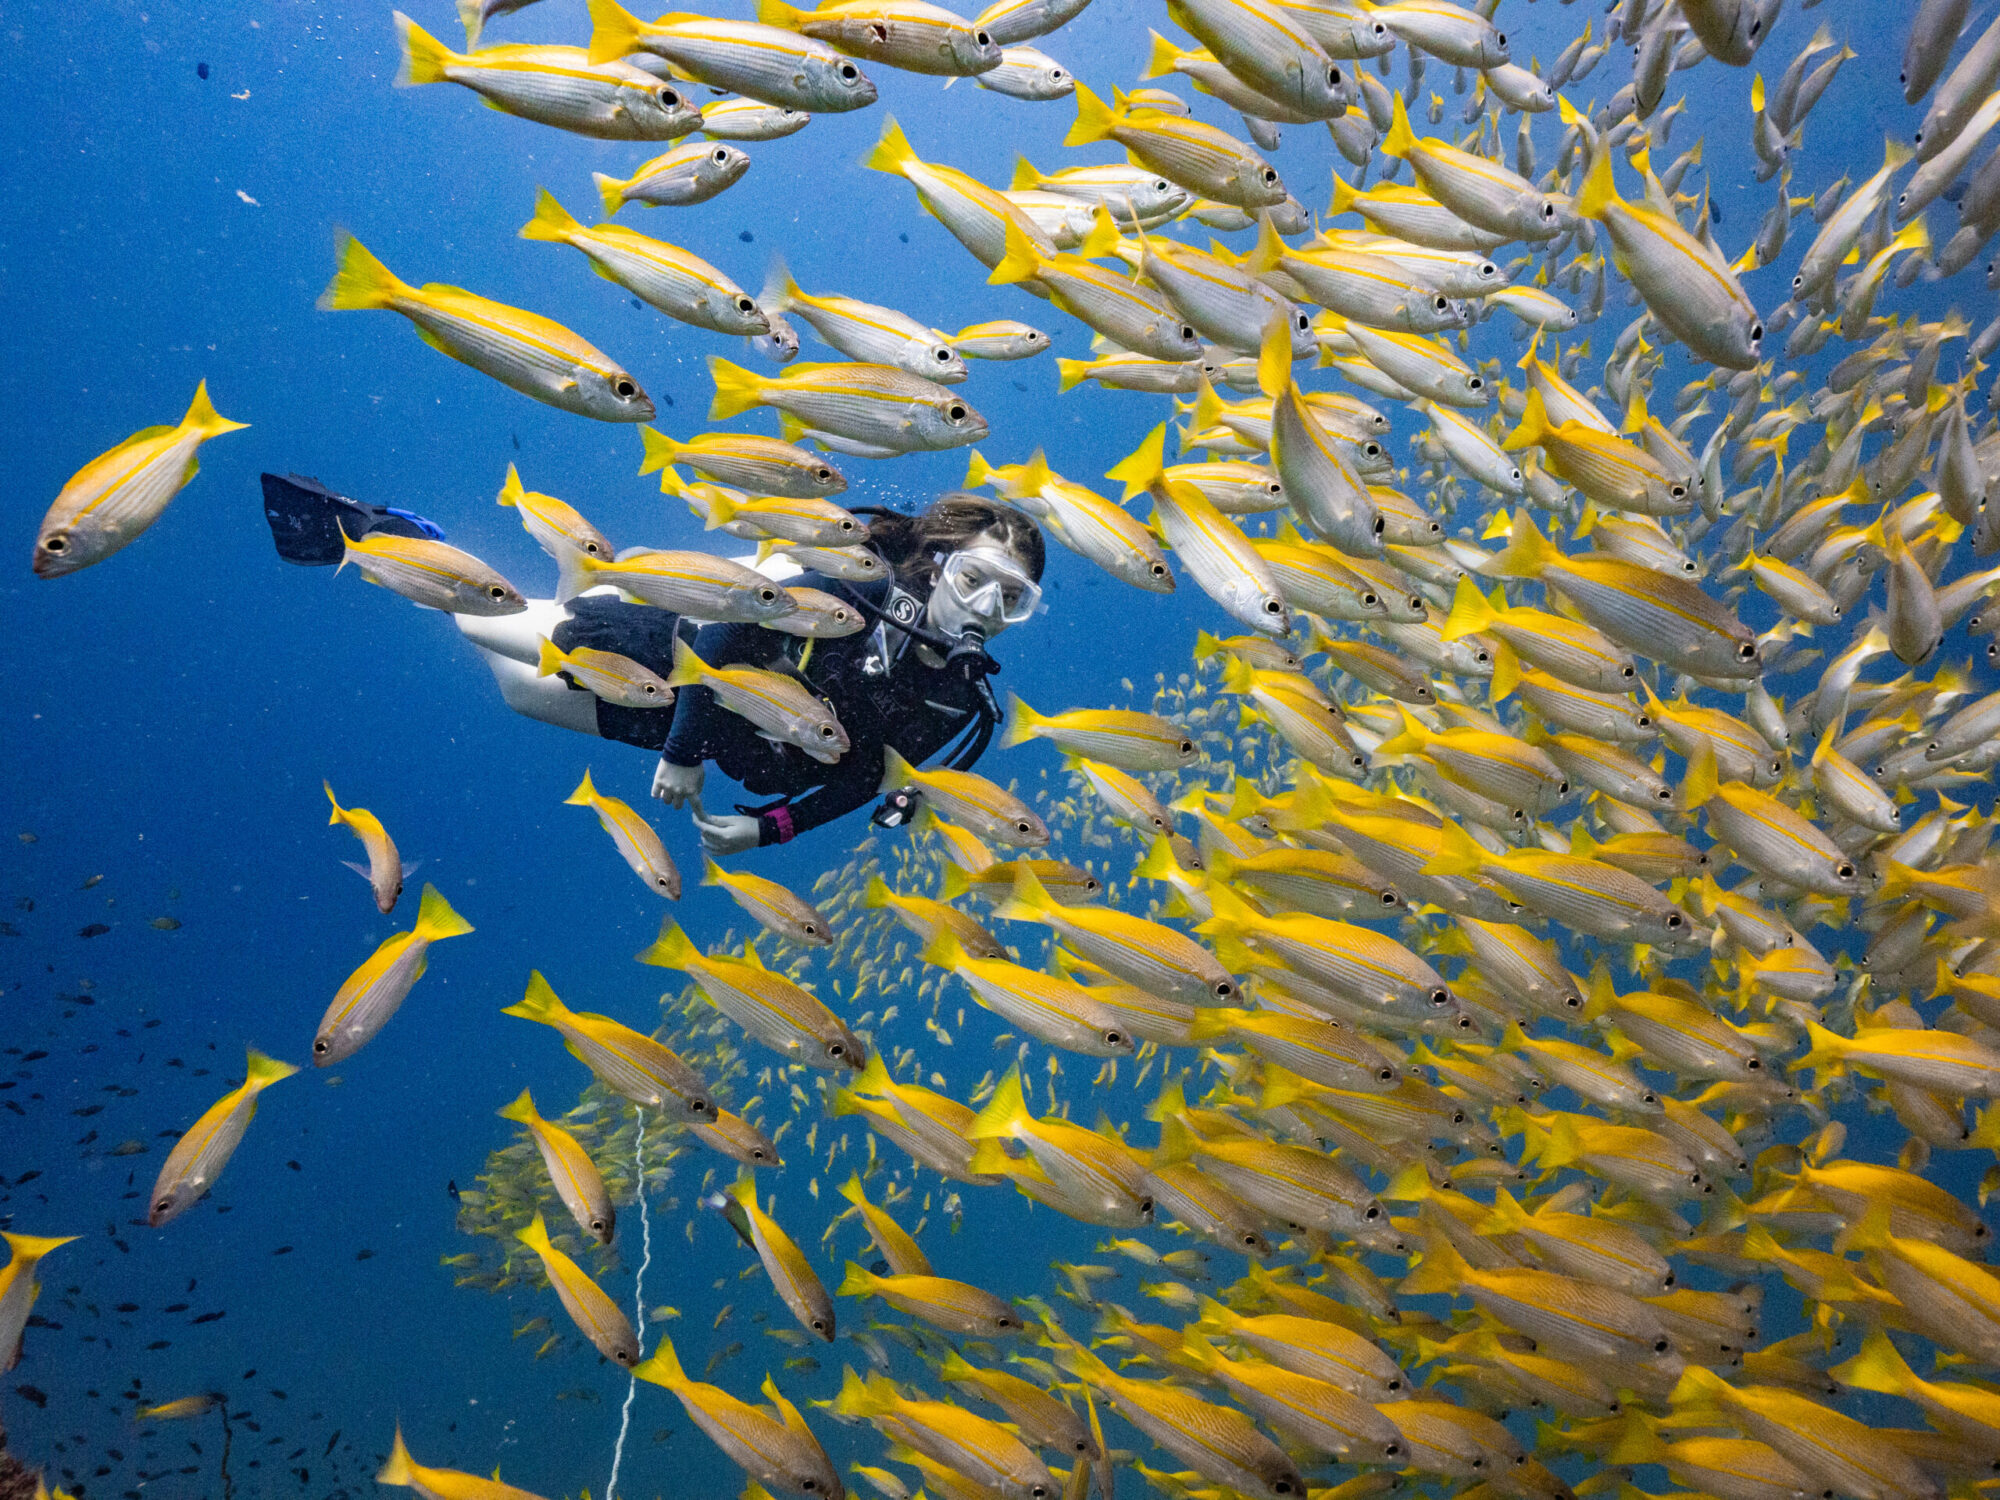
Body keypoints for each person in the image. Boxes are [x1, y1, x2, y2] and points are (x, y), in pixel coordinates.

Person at [262, 475, 1045, 855]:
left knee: (519, 694)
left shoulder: (960, 705)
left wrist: (767, 829)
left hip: (705, 729)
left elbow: (863, 782)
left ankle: (574, 580)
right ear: (935, 564)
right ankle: (390, 535)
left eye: (1012, 600)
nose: (985, 609)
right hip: (668, 656)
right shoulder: (856, 590)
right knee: (484, 623)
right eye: (975, 580)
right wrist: (683, 755)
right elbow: (725, 630)